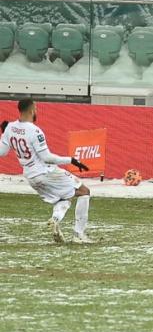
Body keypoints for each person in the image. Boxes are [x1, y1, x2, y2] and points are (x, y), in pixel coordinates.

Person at [0, 99, 91, 243]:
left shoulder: (10, 128)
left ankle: (55, 219)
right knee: (84, 191)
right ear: (31, 111)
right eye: (35, 109)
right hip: (45, 173)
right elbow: (47, 157)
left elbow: (2, 152)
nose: (36, 111)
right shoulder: (35, 131)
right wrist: (71, 160)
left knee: (63, 197)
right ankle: (79, 235)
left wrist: (4, 134)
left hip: (31, 177)